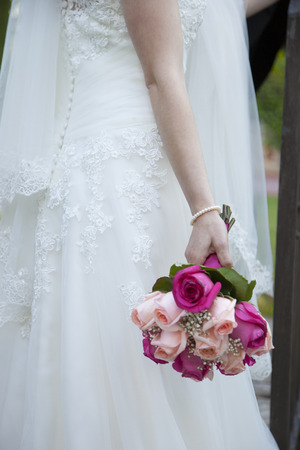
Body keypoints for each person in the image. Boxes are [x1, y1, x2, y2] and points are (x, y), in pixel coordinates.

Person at [0, 0, 279, 448]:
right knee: (124, 362)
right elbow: (161, 76)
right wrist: (204, 209)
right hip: (126, 175)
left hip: (94, 167)